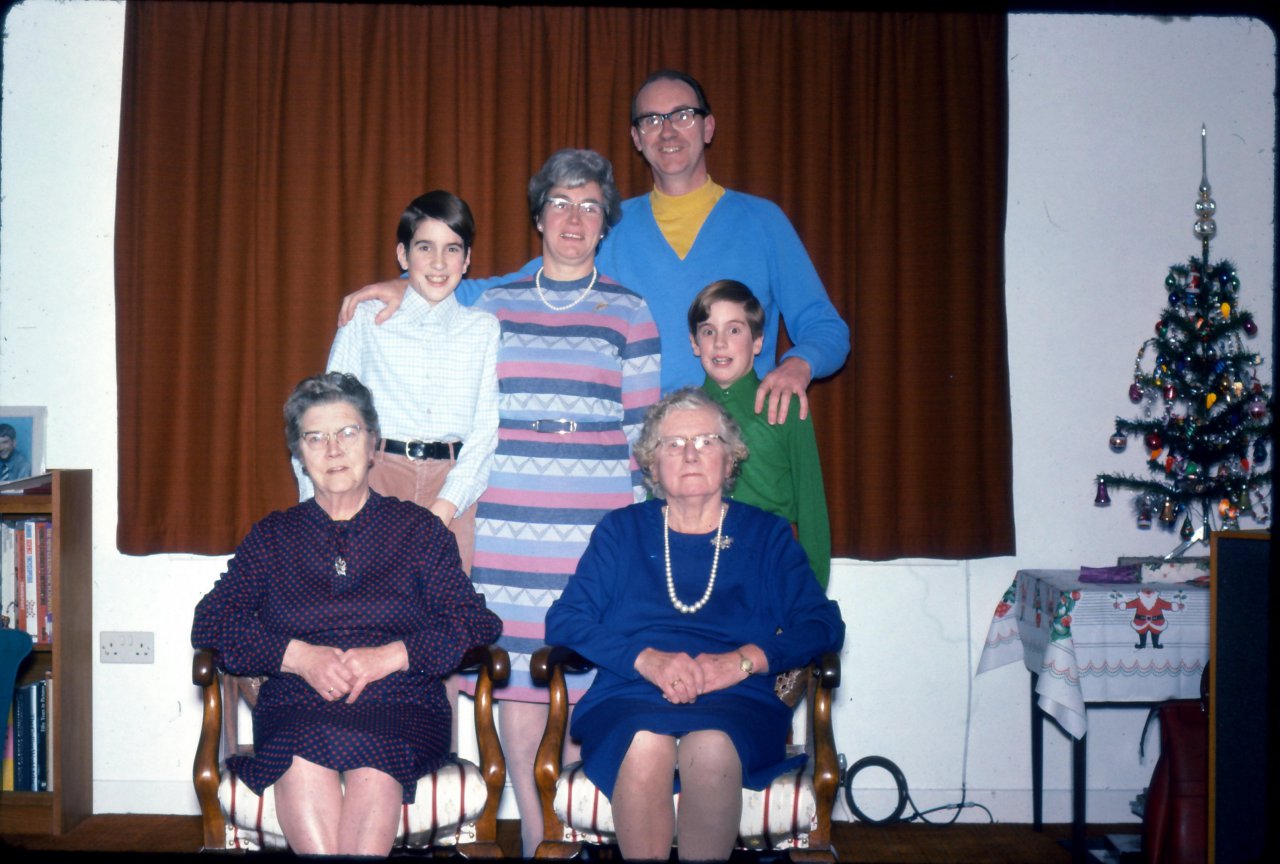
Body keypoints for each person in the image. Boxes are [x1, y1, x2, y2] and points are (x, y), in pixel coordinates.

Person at [338, 69, 848, 425]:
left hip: (737, 443)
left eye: (683, 115)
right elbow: (510, 290)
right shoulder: (608, 225)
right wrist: (406, 284)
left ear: (708, 127)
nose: (667, 130)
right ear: (636, 137)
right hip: (644, 448)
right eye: (651, 120)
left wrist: (797, 365)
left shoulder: (762, 222)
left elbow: (826, 329)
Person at [191, 372, 502, 856]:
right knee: (299, 750)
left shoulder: (418, 531)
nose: (333, 450)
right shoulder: (273, 538)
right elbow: (212, 621)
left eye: (348, 433)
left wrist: (393, 656)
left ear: (374, 445)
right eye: (315, 438)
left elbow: (475, 623)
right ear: (299, 453)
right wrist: (296, 656)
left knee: (377, 756)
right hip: (299, 701)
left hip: (400, 701)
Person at [544, 388, 844, 861]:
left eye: (706, 441)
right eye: (673, 444)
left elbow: (823, 623)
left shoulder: (765, 536)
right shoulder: (622, 531)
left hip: (734, 697)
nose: (689, 454)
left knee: (712, 748)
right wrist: (644, 660)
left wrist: (744, 661)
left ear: (730, 460)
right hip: (632, 690)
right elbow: (565, 619)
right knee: (643, 743)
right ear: (652, 463)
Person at [463, 148, 661, 856]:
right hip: (506, 524)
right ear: (538, 215)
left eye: (589, 206)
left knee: (580, 682)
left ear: (605, 222)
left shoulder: (629, 313)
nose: (573, 218)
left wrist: (641, 542)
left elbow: (645, 438)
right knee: (516, 686)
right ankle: (538, 843)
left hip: (593, 531)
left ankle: (576, 840)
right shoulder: (493, 303)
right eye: (560, 202)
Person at [298, 190, 499, 573]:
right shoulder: (366, 319)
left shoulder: (483, 330)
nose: (439, 263)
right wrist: (318, 510)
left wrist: (445, 506)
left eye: (453, 249)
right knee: (362, 617)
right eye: (425, 247)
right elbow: (322, 416)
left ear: (468, 259)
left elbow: (485, 430)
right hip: (376, 477)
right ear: (403, 256)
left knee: (441, 623)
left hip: (452, 487)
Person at [688, 279, 831, 588]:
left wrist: (811, 595)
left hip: (769, 569)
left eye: (735, 330)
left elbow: (811, 504)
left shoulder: (785, 408)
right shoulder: (680, 415)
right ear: (695, 343)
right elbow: (658, 504)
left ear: (757, 342)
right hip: (698, 571)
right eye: (709, 331)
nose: (720, 343)